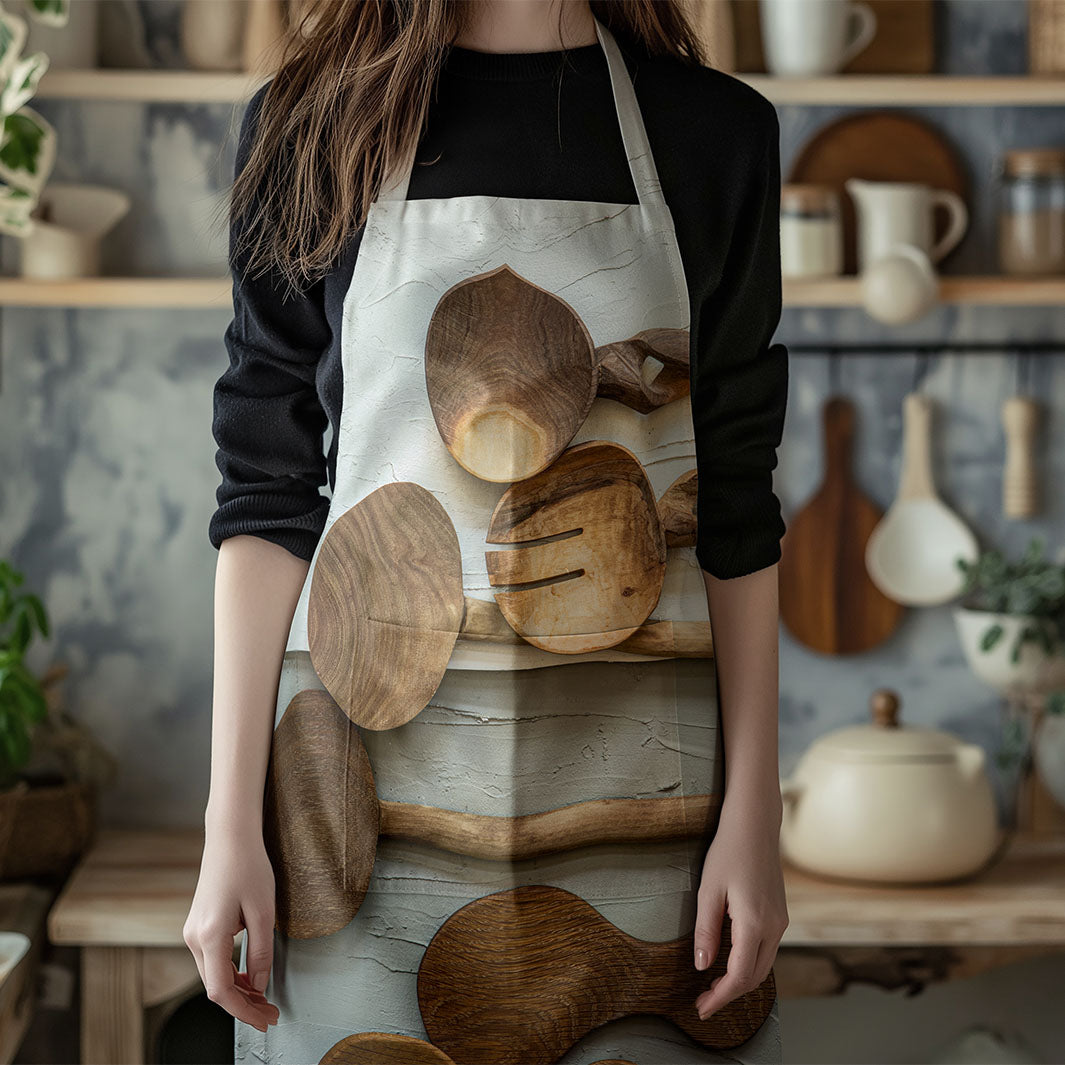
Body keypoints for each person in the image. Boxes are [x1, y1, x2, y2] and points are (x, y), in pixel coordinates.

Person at [184, 1, 791, 1062]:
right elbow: (267, 500)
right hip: (352, 810)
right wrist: (229, 825)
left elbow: (737, 508)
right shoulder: (310, 125)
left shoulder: (715, 133)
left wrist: (757, 814)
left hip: (651, 796)